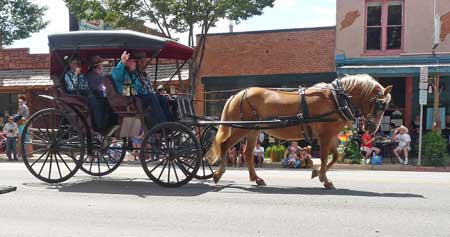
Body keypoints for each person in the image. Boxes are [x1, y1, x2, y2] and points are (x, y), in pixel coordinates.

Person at [112, 51, 170, 126]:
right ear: (127, 63)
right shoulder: (120, 73)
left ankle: (171, 122)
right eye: (133, 62)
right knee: (152, 97)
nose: (135, 64)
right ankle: (163, 124)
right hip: (128, 99)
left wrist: (152, 93)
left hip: (137, 96)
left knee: (162, 98)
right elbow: (116, 75)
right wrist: (122, 61)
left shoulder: (133, 74)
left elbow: (139, 88)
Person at [85, 55, 115, 133]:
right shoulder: (92, 75)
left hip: (99, 95)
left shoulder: (97, 75)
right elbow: (98, 88)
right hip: (94, 97)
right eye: (101, 65)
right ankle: (101, 127)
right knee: (105, 103)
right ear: (98, 66)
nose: (102, 66)